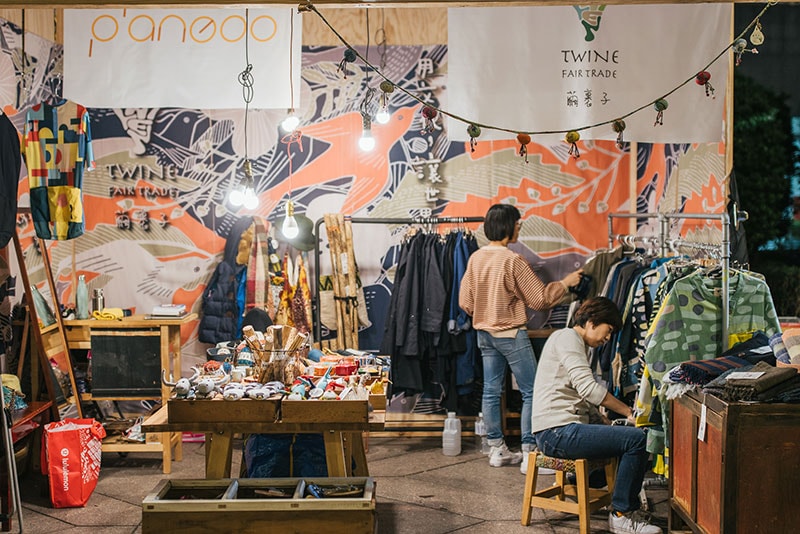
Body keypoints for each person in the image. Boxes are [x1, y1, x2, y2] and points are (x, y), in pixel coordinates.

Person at [459, 203, 582, 472]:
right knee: (532, 391)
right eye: (517, 224)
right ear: (507, 226)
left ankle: (497, 450)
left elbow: (465, 302)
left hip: (484, 334)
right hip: (511, 334)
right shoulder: (513, 260)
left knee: (491, 391)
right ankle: (530, 454)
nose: (519, 228)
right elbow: (540, 300)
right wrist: (566, 283)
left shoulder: (476, 258)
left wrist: (487, 312)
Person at [531, 296, 662, 534]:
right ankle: (621, 514)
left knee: (626, 436)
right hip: (556, 432)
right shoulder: (568, 338)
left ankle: (582, 483)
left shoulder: (573, 342)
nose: (608, 338)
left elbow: (578, 395)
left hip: (558, 430)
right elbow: (588, 389)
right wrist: (628, 412)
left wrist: (604, 420)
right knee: (638, 439)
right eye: (608, 330)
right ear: (592, 322)